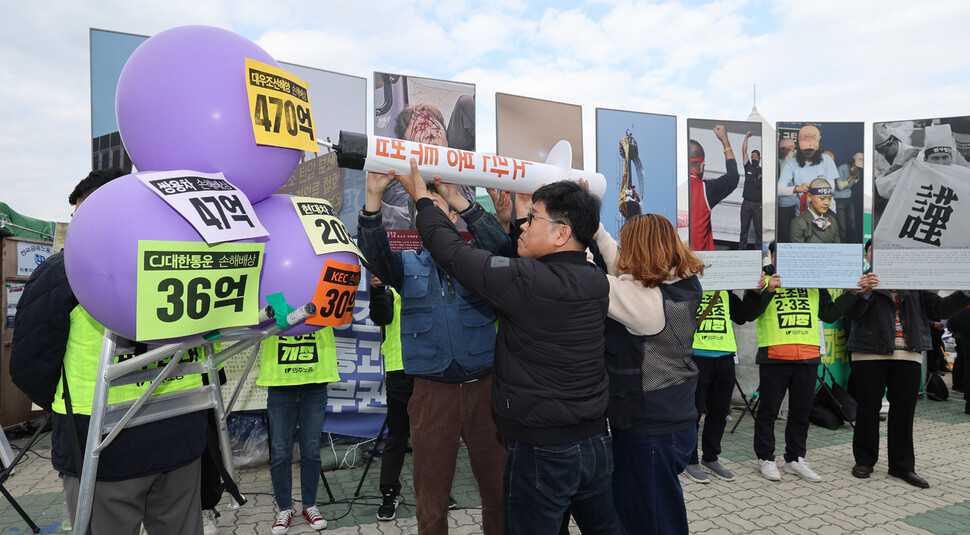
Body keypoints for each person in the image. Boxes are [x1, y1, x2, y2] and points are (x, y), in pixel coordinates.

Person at [393, 160, 622, 534]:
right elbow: (517, 254)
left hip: (542, 450)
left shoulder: (527, 281)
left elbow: (453, 253)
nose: (524, 226)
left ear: (562, 233)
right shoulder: (595, 278)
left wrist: (422, 198)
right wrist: (459, 200)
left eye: (532, 219)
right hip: (594, 442)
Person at [10, 169, 207, 535]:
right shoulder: (187, 258)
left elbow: (29, 367)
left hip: (101, 442)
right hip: (180, 429)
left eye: (81, 215)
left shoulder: (63, 270)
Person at [357, 169, 510, 535]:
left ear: (453, 217)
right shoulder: (405, 262)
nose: (424, 215)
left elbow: (505, 249)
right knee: (431, 497)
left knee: (500, 490)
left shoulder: (477, 258)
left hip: (485, 389)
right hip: (430, 392)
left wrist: (458, 198)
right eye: (419, 210)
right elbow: (375, 254)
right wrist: (373, 198)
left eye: (434, 207)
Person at [592, 213, 704, 534]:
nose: (622, 252)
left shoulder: (648, 303)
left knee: (653, 521)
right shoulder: (679, 283)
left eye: (628, 246)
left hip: (650, 431)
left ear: (641, 251)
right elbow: (623, 274)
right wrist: (598, 231)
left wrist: (581, 254)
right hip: (670, 422)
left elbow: (599, 281)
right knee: (653, 512)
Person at [743, 241, 861, 482]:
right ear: (771, 256)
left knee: (801, 411)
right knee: (768, 412)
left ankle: (795, 459)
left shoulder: (814, 278)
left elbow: (828, 314)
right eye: (780, 254)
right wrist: (768, 290)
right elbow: (748, 314)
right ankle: (765, 458)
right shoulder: (761, 279)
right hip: (774, 356)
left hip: (807, 356)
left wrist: (851, 294)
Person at [844, 281, 970, 488]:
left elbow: (940, 308)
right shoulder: (863, 279)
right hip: (868, 350)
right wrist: (862, 294)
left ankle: (901, 465)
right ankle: (864, 461)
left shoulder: (915, 281)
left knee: (904, 410)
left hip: (908, 353)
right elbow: (850, 314)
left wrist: (965, 291)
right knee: (867, 408)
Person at [367, 280, 460, 521]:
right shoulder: (391, 289)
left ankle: (436, 493)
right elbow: (381, 317)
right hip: (400, 371)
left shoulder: (433, 285)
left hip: (431, 369)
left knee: (432, 438)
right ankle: (389, 494)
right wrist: (377, 290)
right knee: (397, 436)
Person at [258, 331, 340, 533]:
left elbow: (343, 318)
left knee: (311, 449)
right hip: (280, 385)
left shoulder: (321, 297)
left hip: (315, 382)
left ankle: (309, 505)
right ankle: (285, 509)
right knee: (279, 452)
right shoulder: (268, 297)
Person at [685, 290, 748, 484]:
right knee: (692, 413)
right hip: (696, 356)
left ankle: (711, 457)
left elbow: (743, 316)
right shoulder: (688, 286)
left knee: (719, 412)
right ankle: (690, 459)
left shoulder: (726, 290)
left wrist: (754, 294)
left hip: (725, 356)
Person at [777, 126, 840, 243]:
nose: (809, 150)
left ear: (819, 144)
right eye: (805, 147)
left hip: (826, 212)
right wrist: (797, 189)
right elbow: (779, 190)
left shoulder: (826, 160)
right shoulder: (791, 164)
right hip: (802, 214)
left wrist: (813, 188)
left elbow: (831, 188)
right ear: (798, 145)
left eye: (812, 146)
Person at [689, 124, 739, 251]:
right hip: (699, 263)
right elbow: (733, 177)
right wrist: (725, 140)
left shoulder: (673, 187)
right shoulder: (705, 189)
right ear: (702, 165)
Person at [790, 178, 840, 244]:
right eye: (822, 198)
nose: (827, 202)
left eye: (829, 198)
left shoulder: (832, 220)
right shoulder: (798, 223)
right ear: (810, 197)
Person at [739, 132, 762, 250]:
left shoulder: (763, 171)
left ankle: (759, 252)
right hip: (746, 203)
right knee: (744, 229)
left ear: (760, 158)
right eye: (752, 157)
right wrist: (746, 137)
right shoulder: (748, 167)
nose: (753, 158)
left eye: (755, 157)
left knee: (759, 230)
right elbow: (744, 152)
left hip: (758, 205)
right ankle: (741, 250)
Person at [834, 153, 863, 243]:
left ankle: (854, 247)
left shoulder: (858, 171)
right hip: (839, 200)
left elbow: (853, 184)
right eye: (856, 164)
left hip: (848, 199)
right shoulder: (842, 168)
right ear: (852, 161)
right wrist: (851, 176)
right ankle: (844, 248)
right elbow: (840, 187)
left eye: (859, 166)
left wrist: (854, 176)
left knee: (852, 226)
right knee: (842, 227)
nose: (857, 167)